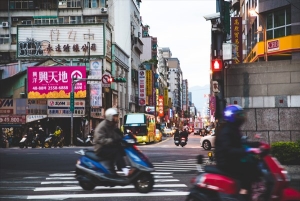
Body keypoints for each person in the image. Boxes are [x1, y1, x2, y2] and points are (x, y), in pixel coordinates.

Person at [214, 105, 261, 201]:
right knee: (249, 170)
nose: (242, 118)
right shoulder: (226, 131)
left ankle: (247, 192)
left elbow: (241, 143)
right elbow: (229, 150)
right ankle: (244, 194)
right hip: (226, 162)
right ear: (232, 117)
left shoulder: (233, 129)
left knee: (256, 166)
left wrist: (258, 144)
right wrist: (248, 150)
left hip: (233, 159)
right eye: (239, 115)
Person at [93, 108, 129, 176]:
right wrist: (112, 140)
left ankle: (118, 167)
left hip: (107, 146)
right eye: (115, 116)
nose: (116, 118)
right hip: (100, 148)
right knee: (116, 151)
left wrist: (122, 137)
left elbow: (116, 135)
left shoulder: (112, 125)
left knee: (121, 148)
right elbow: (100, 139)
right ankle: (125, 170)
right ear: (110, 117)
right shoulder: (102, 126)